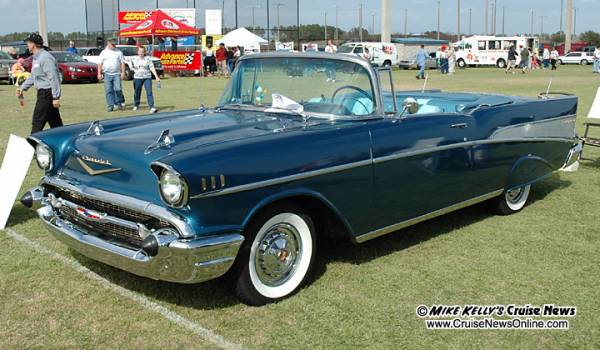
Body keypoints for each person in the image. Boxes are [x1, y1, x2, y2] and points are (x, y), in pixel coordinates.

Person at [16, 33, 63, 134]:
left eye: (28, 43)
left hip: (47, 94)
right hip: (43, 93)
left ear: (33, 44)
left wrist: (56, 97)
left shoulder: (45, 58)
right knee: (56, 124)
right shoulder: (36, 58)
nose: (27, 45)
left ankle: (32, 147)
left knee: (37, 122)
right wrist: (22, 88)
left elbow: (53, 78)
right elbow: (33, 76)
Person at [97, 38, 126, 112]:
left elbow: (122, 63)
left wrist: (123, 72)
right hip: (107, 74)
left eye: (114, 44)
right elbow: (100, 64)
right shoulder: (104, 52)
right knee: (108, 90)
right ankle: (110, 105)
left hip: (117, 74)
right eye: (112, 44)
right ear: (108, 43)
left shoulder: (119, 52)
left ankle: (119, 102)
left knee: (118, 89)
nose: (114, 45)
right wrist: (99, 73)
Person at [130, 46, 161, 113]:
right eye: (140, 51)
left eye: (142, 52)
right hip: (137, 78)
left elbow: (152, 68)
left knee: (149, 92)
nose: (141, 53)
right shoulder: (133, 59)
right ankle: (136, 104)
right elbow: (130, 66)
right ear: (138, 52)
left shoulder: (148, 59)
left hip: (147, 77)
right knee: (137, 92)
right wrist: (134, 70)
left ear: (144, 52)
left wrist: (156, 77)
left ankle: (152, 107)